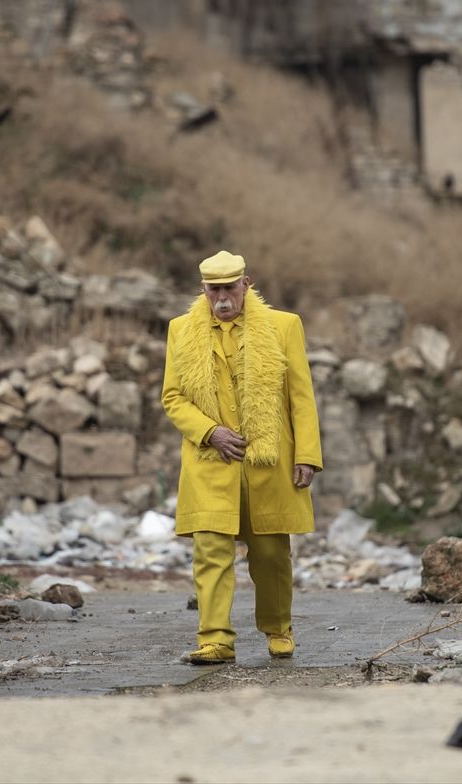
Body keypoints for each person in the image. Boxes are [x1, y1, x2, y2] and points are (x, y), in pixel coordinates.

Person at [161, 250, 323, 664]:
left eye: (229, 288)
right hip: (210, 461)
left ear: (246, 284)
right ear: (203, 290)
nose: (222, 298)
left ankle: (278, 629)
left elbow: (300, 397)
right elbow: (173, 397)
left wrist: (306, 455)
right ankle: (215, 639)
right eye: (214, 290)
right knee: (210, 550)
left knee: (270, 554)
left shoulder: (284, 326)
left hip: (268, 463)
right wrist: (209, 432)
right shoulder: (180, 330)